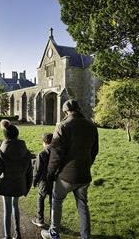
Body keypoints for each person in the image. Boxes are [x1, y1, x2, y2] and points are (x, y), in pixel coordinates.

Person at [41, 99, 99, 239]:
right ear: (78, 109)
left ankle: (54, 233)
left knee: (57, 200)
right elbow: (95, 150)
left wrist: (50, 172)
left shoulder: (63, 126)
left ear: (65, 111)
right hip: (84, 174)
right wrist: (87, 164)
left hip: (65, 176)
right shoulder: (91, 126)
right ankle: (85, 236)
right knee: (83, 205)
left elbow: (56, 154)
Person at [0, 120, 33, 239]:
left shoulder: (1, 151)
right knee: (16, 206)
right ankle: (18, 233)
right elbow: (29, 172)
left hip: (6, 184)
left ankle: (7, 236)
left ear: (5, 135)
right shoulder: (26, 151)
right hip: (20, 184)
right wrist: (27, 187)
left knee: (7, 209)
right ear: (17, 134)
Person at [31, 133, 53, 228]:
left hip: (44, 181)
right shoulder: (58, 153)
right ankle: (53, 221)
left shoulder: (42, 154)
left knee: (40, 198)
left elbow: (37, 170)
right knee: (53, 201)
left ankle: (40, 219)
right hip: (55, 181)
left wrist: (34, 182)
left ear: (45, 142)